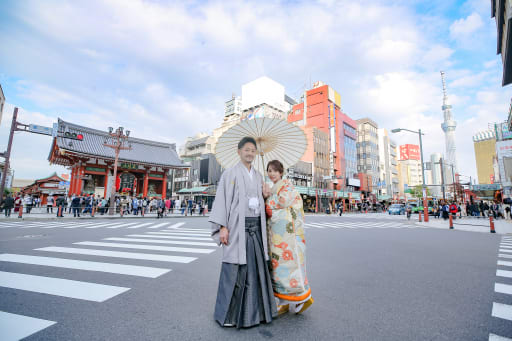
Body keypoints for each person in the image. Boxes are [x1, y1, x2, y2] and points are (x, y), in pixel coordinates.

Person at [209, 136, 277, 328]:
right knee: (235, 270)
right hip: (237, 227)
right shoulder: (229, 174)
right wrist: (223, 226)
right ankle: (230, 315)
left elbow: (265, 205)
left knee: (256, 270)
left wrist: (264, 196)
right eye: (246, 149)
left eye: (253, 150)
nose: (250, 153)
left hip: (255, 227)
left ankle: (259, 313)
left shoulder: (259, 176)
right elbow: (222, 201)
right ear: (239, 152)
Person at [264, 160, 313, 316]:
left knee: (290, 267)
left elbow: (283, 202)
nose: (271, 173)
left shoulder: (287, 186)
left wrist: (268, 199)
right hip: (279, 239)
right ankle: (283, 301)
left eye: (274, 170)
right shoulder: (274, 187)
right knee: (278, 267)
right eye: (269, 170)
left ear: (281, 172)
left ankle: (302, 298)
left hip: (288, 237)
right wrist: (269, 195)